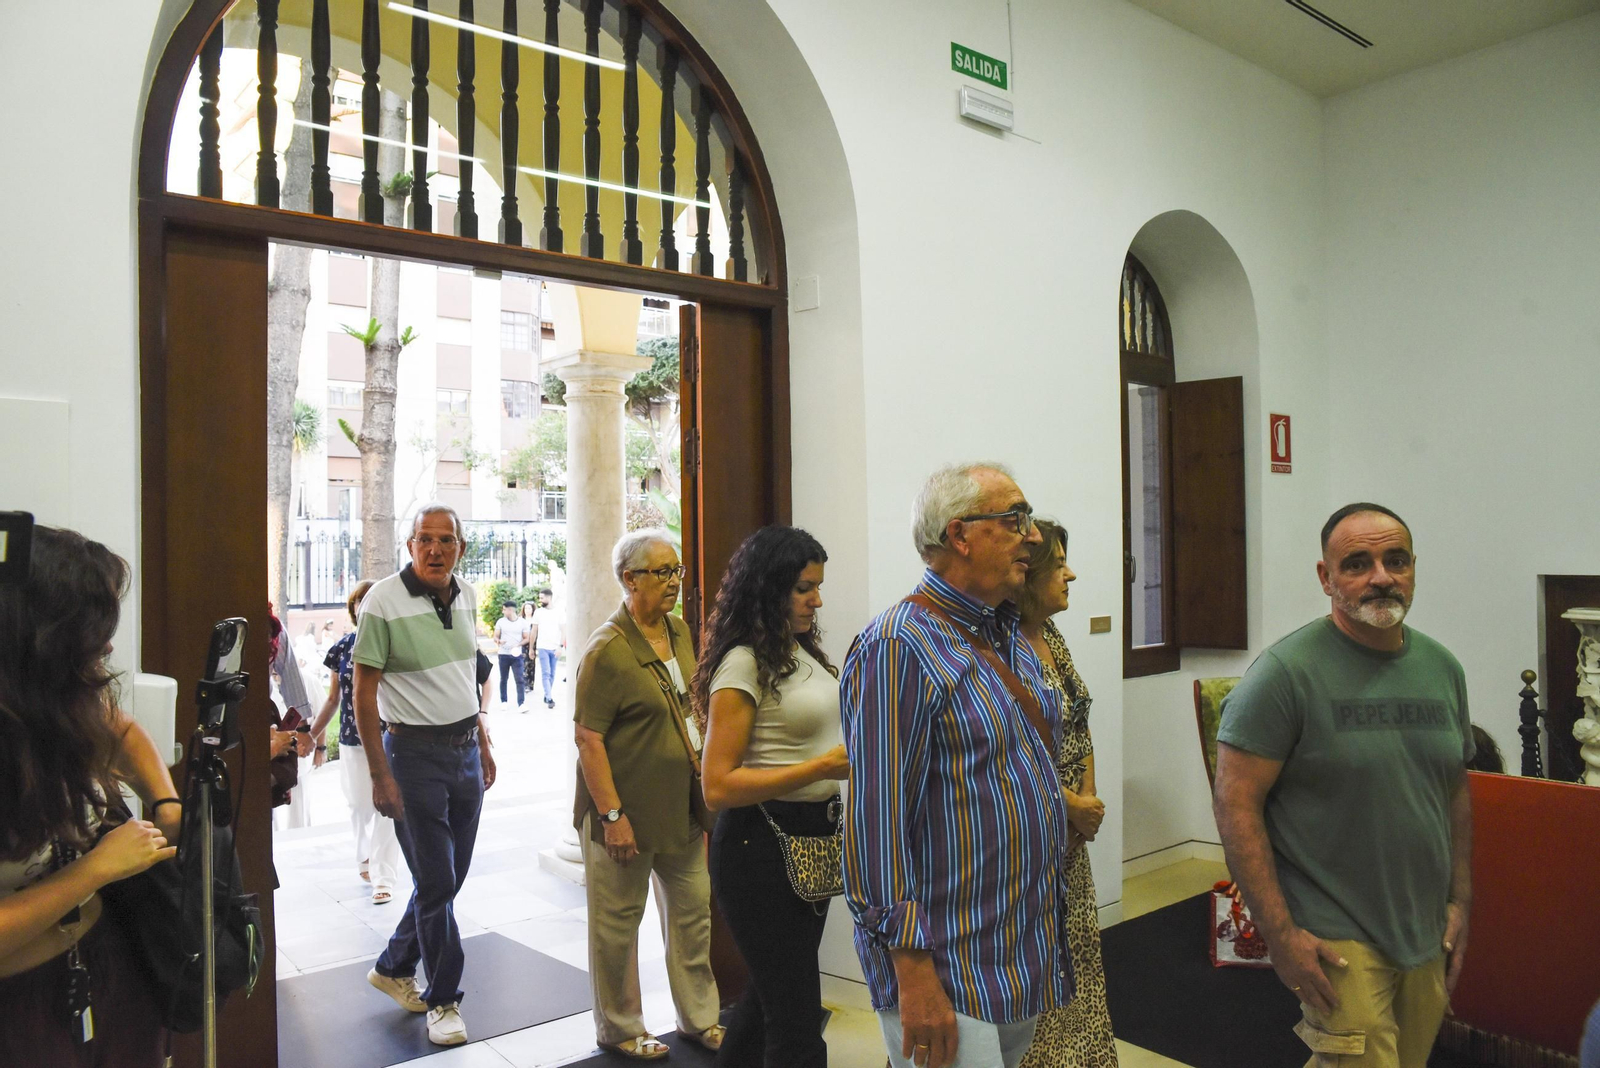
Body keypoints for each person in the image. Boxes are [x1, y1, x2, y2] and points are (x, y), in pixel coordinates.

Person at [1214, 503, 1474, 1068]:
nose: (1380, 576)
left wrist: (1461, 901)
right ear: (1325, 577)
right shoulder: (1284, 674)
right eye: (1357, 563)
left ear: (1412, 568)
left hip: (1424, 926)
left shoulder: (1443, 668)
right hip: (1335, 934)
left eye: (1395, 560)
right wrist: (1279, 936)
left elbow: (1453, 792)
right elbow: (1236, 805)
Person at [842, 462, 1068, 1068]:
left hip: (1014, 947)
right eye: (1015, 518)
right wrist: (913, 974)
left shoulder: (1006, 634)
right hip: (945, 960)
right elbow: (876, 828)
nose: (1035, 537)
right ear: (961, 535)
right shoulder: (899, 646)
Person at [0, 525, 183, 1066]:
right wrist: (96, 869)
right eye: (93, 628)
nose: (106, 644)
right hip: (21, 1009)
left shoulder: (59, 702)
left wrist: (165, 800)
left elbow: (121, 728)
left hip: (103, 965)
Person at [697, 527, 851, 1068]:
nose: (818, 599)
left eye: (818, 586)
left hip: (813, 837)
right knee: (795, 1020)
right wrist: (822, 767)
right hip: (759, 845)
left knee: (769, 1000)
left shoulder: (799, 650)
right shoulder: (742, 662)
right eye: (805, 588)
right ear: (770, 588)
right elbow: (716, 784)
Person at [352, 503, 498, 1047]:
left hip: (463, 753)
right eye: (424, 539)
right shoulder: (382, 602)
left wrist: (482, 741)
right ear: (410, 545)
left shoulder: (466, 595)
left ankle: (394, 964)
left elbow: (465, 676)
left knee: (450, 878)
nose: (435, 550)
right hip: (411, 757)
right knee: (436, 884)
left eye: (446, 540)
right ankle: (443, 1000)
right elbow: (363, 695)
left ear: (461, 546)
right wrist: (379, 774)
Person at [573, 529, 722, 1059]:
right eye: (660, 573)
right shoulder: (607, 650)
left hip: (681, 809)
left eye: (676, 570)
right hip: (625, 816)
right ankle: (620, 1027)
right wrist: (612, 815)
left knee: (692, 915)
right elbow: (587, 739)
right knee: (616, 927)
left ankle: (699, 1017)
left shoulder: (680, 631)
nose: (673, 582)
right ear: (628, 579)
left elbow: (691, 702)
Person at [1015, 520, 1118, 1068]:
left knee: (1076, 964)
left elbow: (1079, 717)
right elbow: (1005, 752)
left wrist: (1090, 796)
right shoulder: (997, 647)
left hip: (1070, 838)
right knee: (1037, 976)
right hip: (1029, 837)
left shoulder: (1051, 636)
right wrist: (1066, 804)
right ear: (1026, 574)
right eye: (1059, 565)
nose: (1070, 574)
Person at [308, 580, 401, 905]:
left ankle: (383, 876)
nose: (365, 605)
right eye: (360, 601)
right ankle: (364, 855)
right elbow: (333, 699)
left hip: (390, 736)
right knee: (360, 805)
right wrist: (312, 736)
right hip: (351, 738)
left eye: (371, 600)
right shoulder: (342, 648)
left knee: (389, 807)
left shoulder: (394, 644)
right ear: (354, 608)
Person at [530, 588, 564, 709]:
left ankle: (547, 694)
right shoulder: (538, 612)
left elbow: (563, 630)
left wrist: (560, 646)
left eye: (542, 598)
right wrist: (531, 648)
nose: (540, 600)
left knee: (552, 673)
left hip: (555, 647)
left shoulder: (559, 612)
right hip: (542, 646)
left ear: (549, 598)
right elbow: (534, 631)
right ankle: (549, 697)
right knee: (546, 672)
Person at [493, 601, 528, 710]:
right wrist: (498, 641)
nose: (503, 611)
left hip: (516, 654)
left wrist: (518, 644)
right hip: (503, 654)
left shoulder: (522, 622)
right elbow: (495, 637)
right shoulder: (500, 622)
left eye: (504, 609)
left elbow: (526, 638)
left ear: (511, 610)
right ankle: (504, 701)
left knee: (520, 679)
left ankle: (521, 703)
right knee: (504, 678)